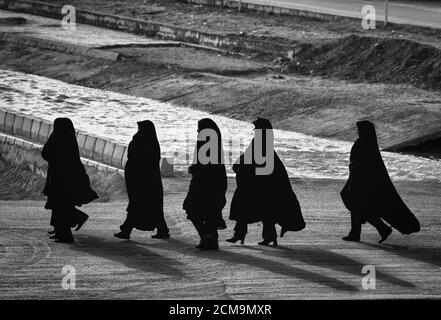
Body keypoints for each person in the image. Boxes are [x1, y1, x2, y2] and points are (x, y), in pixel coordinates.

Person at [227, 118, 305, 246]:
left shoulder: (260, 142)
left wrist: (241, 168)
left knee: (248, 207)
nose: (255, 131)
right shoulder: (265, 142)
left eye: (256, 128)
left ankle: (241, 235)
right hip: (263, 182)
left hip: (258, 183)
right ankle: (264, 236)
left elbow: (251, 160)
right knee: (264, 210)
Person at [341, 120, 420, 243]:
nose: (357, 131)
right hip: (356, 177)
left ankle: (358, 233)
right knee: (353, 201)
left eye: (360, 129)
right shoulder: (364, 142)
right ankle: (381, 228)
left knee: (357, 204)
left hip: (362, 181)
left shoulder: (367, 144)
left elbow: (367, 166)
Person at [42, 118, 98, 243]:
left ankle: (66, 232)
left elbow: (46, 153)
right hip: (64, 178)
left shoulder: (58, 137)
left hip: (60, 178)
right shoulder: (69, 138)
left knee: (60, 205)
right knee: (59, 204)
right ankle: (61, 230)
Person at [114, 120, 169, 240]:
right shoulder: (153, 141)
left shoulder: (140, 139)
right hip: (151, 179)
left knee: (137, 204)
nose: (138, 130)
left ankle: (126, 230)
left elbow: (134, 157)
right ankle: (162, 229)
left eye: (140, 128)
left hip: (140, 179)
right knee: (153, 206)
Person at [183, 118, 227, 250]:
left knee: (192, 209)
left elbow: (204, 166)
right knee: (210, 212)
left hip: (203, 184)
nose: (197, 131)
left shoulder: (206, 142)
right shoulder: (215, 142)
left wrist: (193, 169)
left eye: (199, 128)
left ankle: (206, 237)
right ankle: (210, 239)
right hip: (215, 183)